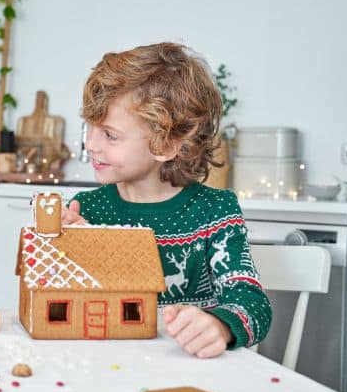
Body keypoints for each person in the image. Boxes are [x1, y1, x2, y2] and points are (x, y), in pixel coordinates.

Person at [63, 42, 271, 358]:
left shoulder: (215, 212)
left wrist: (220, 326)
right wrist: (64, 249)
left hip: (191, 372)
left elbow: (254, 306)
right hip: (109, 366)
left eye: (110, 135)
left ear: (167, 144)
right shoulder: (87, 210)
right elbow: (70, 309)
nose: (90, 144)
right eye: (89, 127)